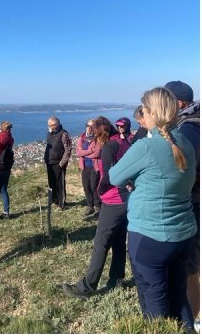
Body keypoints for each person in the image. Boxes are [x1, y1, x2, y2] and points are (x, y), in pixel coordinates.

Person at [109, 87, 197, 332]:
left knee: (154, 302)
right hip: (184, 233)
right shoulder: (186, 143)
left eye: (144, 110)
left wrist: (135, 180)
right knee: (178, 296)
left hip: (150, 236)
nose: (142, 114)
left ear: (153, 113)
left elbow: (114, 176)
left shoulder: (145, 148)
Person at [63, 117, 131, 299]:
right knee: (118, 240)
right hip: (127, 199)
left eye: (94, 128)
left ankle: (86, 287)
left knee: (101, 242)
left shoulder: (109, 146)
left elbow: (109, 176)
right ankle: (117, 278)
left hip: (113, 199)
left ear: (102, 129)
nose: (91, 132)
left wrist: (100, 190)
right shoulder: (123, 141)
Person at [165, 80, 201, 330]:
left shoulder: (188, 129)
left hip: (193, 202)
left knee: (189, 265)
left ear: (178, 104)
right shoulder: (192, 123)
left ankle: (191, 319)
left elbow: (187, 170)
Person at [44, 116, 72, 210]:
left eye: (50, 125)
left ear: (55, 125)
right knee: (52, 183)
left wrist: (62, 163)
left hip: (58, 163)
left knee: (60, 183)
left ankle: (62, 203)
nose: (49, 127)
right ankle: (55, 200)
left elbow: (67, 150)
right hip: (50, 162)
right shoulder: (50, 133)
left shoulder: (63, 134)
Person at [76, 119, 101, 218]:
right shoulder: (82, 137)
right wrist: (90, 151)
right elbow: (78, 152)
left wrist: (85, 153)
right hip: (84, 167)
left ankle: (98, 206)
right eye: (88, 125)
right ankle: (90, 205)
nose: (89, 127)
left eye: (92, 126)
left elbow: (97, 153)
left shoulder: (98, 138)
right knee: (86, 187)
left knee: (94, 187)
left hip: (94, 167)